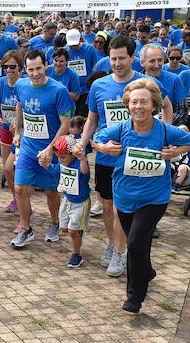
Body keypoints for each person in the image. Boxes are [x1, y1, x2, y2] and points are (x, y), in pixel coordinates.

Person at [93, 79, 190, 313]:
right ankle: (147, 271)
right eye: (134, 102)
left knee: (136, 242)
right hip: (125, 196)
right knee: (140, 245)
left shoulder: (163, 130)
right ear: (128, 105)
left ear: (154, 106)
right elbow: (96, 138)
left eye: (143, 102)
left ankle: (134, 297)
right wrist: (105, 148)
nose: (138, 106)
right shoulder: (121, 129)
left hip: (154, 198)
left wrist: (176, 151)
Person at [79, 36, 155, 277]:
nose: (118, 63)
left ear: (132, 58)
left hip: (133, 156)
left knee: (126, 205)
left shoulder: (145, 83)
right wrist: (83, 143)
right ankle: (113, 244)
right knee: (108, 204)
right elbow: (92, 118)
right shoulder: (99, 86)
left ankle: (122, 251)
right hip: (106, 156)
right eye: (113, 59)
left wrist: (162, 137)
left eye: (122, 58)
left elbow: (165, 108)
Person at [9, 50, 74, 248]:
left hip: (50, 150)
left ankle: (54, 223)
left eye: (38, 68)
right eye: (30, 69)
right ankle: (26, 228)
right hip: (28, 147)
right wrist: (18, 130)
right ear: (25, 69)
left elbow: (65, 124)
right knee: (19, 187)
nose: (35, 73)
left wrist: (50, 149)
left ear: (46, 65)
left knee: (51, 191)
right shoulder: (20, 85)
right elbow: (20, 105)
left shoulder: (58, 90)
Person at [0, 51, 23, 214]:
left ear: (20, 68)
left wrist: (20, 125)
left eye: (12, 67)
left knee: (13, 168)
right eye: (5, 67)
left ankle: (24, 200)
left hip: (22, 133)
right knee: (7, 170)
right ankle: (16, 199)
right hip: (5, 130)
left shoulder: (25, 84)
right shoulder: (0, 83)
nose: (8, 70)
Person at [53, 135, 90, 268]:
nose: (60, 160)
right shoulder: (61, 164)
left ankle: (76, 254)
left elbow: (85, 172)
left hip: (80, 203)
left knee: (72, 231)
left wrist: (82, 158)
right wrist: (44, 161)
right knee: (64, 228)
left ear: (72, 155)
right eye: (58, 157)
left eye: (63, 157)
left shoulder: (78, 163)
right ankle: (78, 233)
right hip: (67, 200)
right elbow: (54, 169)